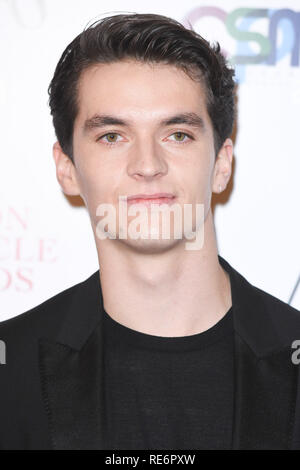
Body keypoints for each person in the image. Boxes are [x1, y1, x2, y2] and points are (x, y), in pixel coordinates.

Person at [1, 12, 300, 450]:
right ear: (67, 170)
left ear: (221, 164)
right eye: (111, 136)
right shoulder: (10, 369)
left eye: (177, 134)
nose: (147, 165)